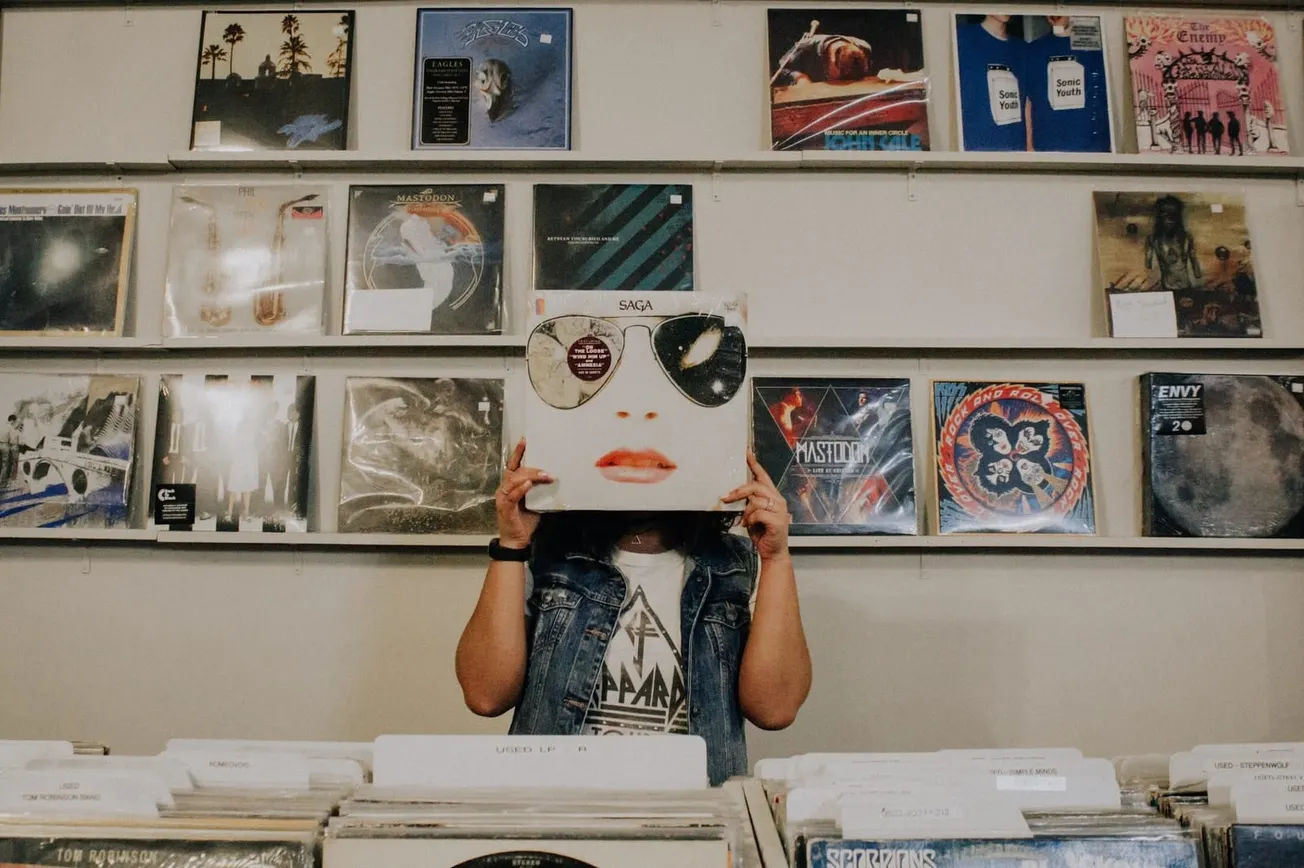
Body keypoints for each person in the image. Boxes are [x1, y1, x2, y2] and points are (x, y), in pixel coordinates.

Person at [456, 439, 812, 786]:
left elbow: (774, 710)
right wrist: (511, 546)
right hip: (557, 818)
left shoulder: (738, 566)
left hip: (694, 825)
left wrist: (776, 557)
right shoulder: (546, 555)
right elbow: (486, 695)